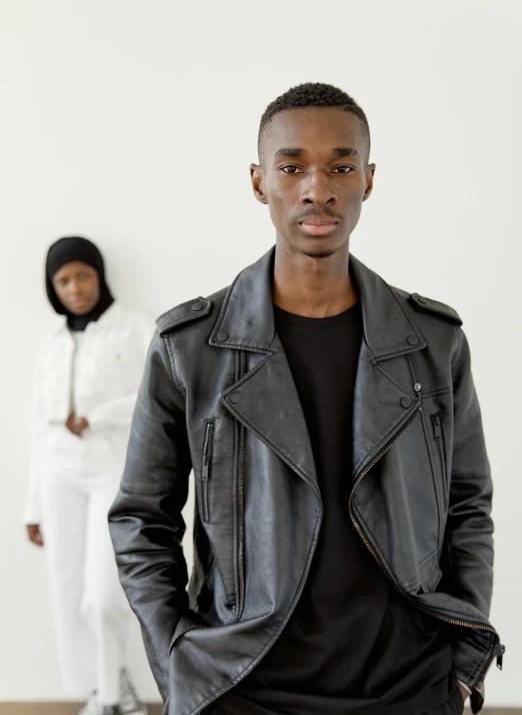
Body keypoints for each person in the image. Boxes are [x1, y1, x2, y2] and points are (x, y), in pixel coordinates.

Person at [108, 84, 504, 715]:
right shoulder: (190, 349)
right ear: (259, 181)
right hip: (245, 687)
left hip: (408, 684)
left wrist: (458, 666)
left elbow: (468, 506)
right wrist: (180, 661)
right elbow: (141, 519)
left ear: (368, 180)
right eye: (291, 167)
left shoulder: (432, 342)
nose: (317, 189)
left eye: (341, 167)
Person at [25, 236, 150, 715]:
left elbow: (155, 398)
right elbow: (39, 427)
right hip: (59, 472)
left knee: (103, 592)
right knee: (69, 588)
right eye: (63, 280)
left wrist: (98, 416)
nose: (74, 288)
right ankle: (102, 692)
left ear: (98, 275)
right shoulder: (52, 343)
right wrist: (31, 506)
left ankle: (116, 696)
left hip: (111, 470)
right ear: (51, 288)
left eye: (82, 276)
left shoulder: (134, 328)